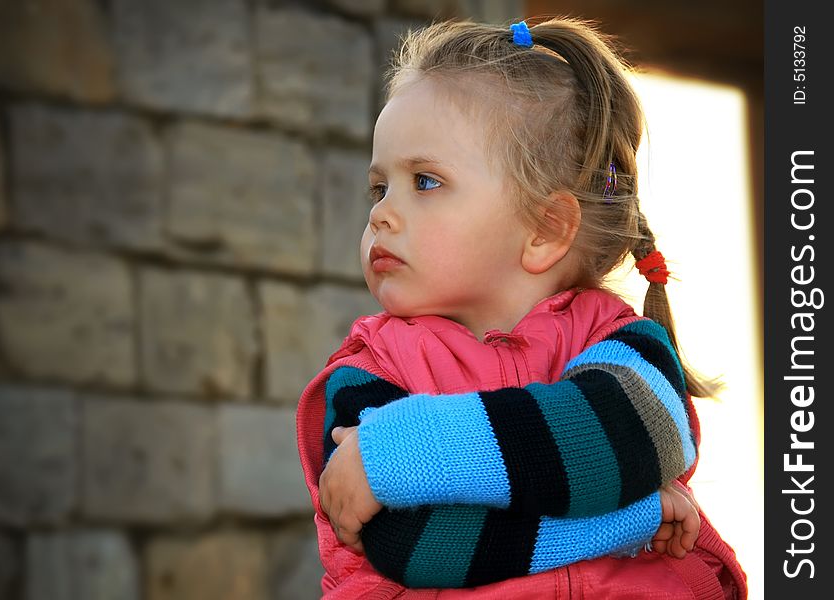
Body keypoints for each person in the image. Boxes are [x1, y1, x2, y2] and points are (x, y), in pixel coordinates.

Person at [296, 17, 747, 598]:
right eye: (379, 187)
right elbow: (416, 543)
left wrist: (399, 448)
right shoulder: (368, 374)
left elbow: (627, 436)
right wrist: (631, 520)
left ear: (544, 229)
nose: (382, 213)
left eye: (425, 182)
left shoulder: (621, 344)